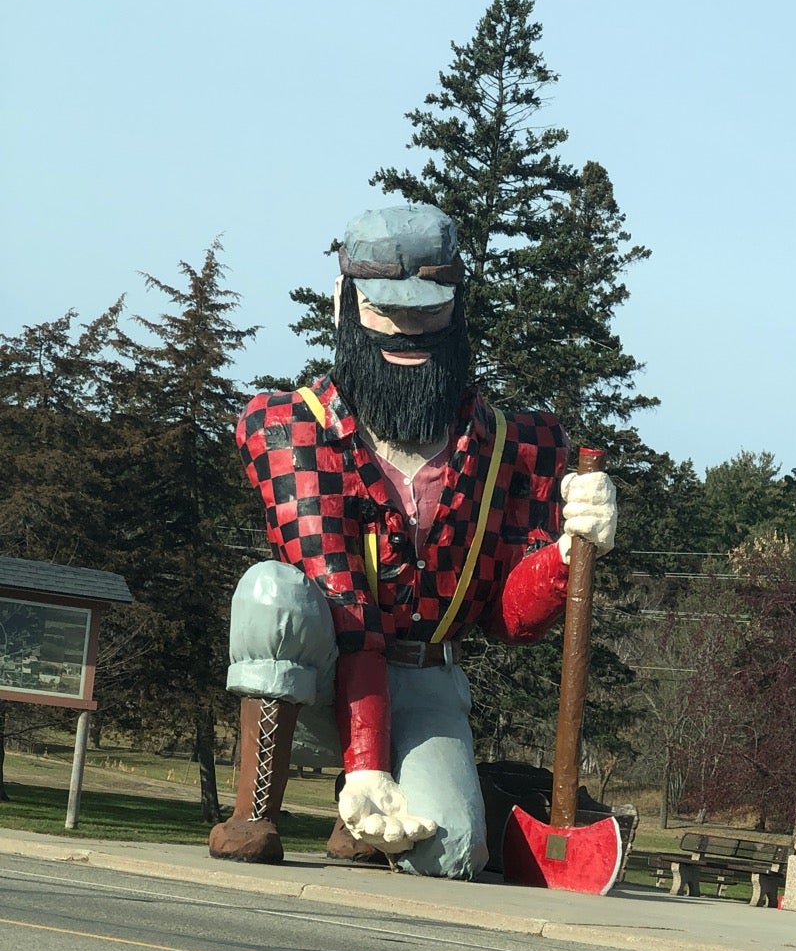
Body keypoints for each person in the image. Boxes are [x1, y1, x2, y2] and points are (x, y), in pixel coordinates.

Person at [208, 203, 617, 877]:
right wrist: (365, 764)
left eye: (427, 311)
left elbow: (509, 620)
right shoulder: (287, 429)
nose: (407, 330)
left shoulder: (513, 445)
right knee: (270, 593)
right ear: (346, 301)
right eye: (386, 309)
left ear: (458, 307)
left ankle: (369, 829)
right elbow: (343, 603)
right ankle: (256, 814)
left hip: (426, 677)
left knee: (452, 852)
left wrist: (570, 554)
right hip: (319, 674)